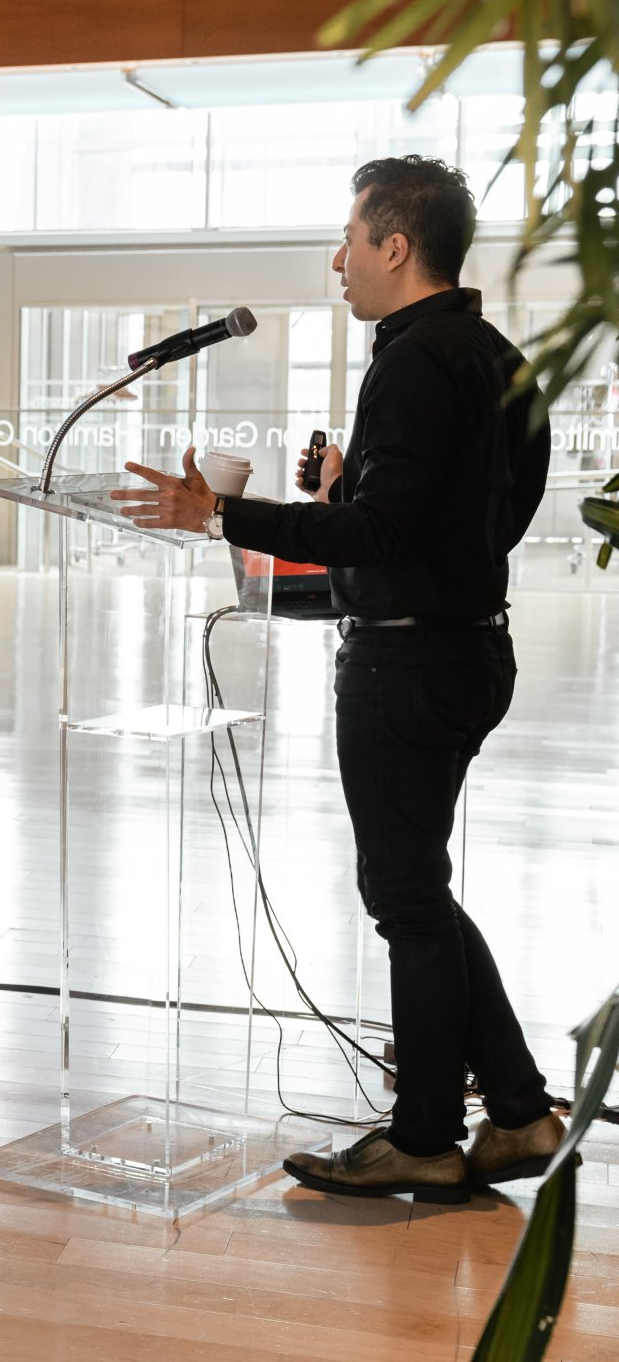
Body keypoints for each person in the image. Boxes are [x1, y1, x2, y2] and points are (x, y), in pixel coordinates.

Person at [113, 155, 561, 1203]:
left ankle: (423, 1136)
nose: (337, 261)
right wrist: (353, 494)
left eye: (350, 241)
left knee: (402, 892)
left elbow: (383, 530)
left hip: (406, 658)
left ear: (394, 246)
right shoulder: (494, 354)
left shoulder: (411, 361)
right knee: (416, 886)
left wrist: (220, 514)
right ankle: (516, 1111)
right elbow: (481, 511)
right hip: (465, 645)